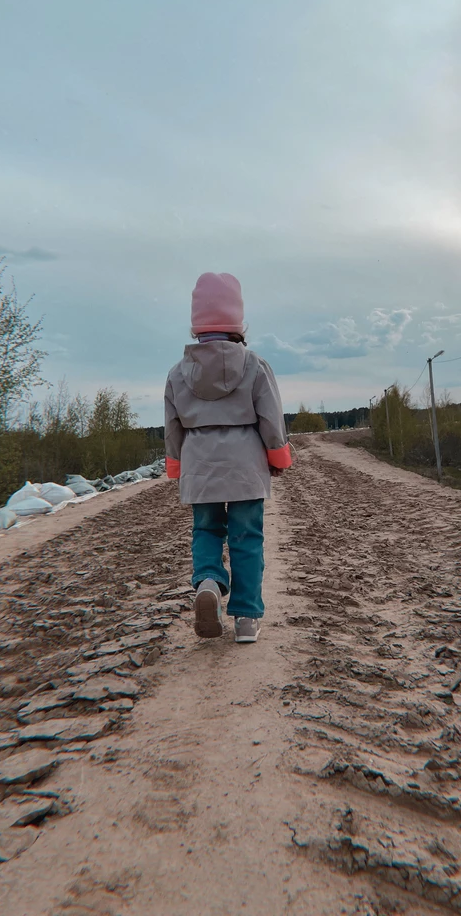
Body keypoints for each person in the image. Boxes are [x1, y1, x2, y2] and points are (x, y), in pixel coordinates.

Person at [164, 273, 292, 643]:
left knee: (205, 531)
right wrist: (279, 458)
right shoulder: (255, 366)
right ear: (238, 320)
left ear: (196, 324)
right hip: (246, 468)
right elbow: (271, 420)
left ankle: (208, 581)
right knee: (246, 537)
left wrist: (176, 466)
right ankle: (247, 619)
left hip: (200, 466)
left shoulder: (177, 374)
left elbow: (172, 429)